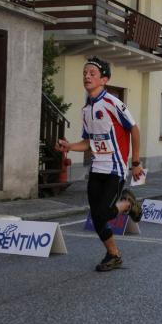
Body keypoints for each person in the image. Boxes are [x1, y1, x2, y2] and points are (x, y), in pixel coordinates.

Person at [55, 56, 143, 272]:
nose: (87, 76)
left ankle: (128, 204)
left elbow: (134, 128)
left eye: (92, 73)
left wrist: (136, 162)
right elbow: (88, 142)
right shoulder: (86, 110)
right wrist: (69, 146)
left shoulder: (113, 102)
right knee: (96, 217)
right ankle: (113, 254)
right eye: (85, 73)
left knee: (103, 213)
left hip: (115, 168)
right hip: (96, 168)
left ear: (104, 79)